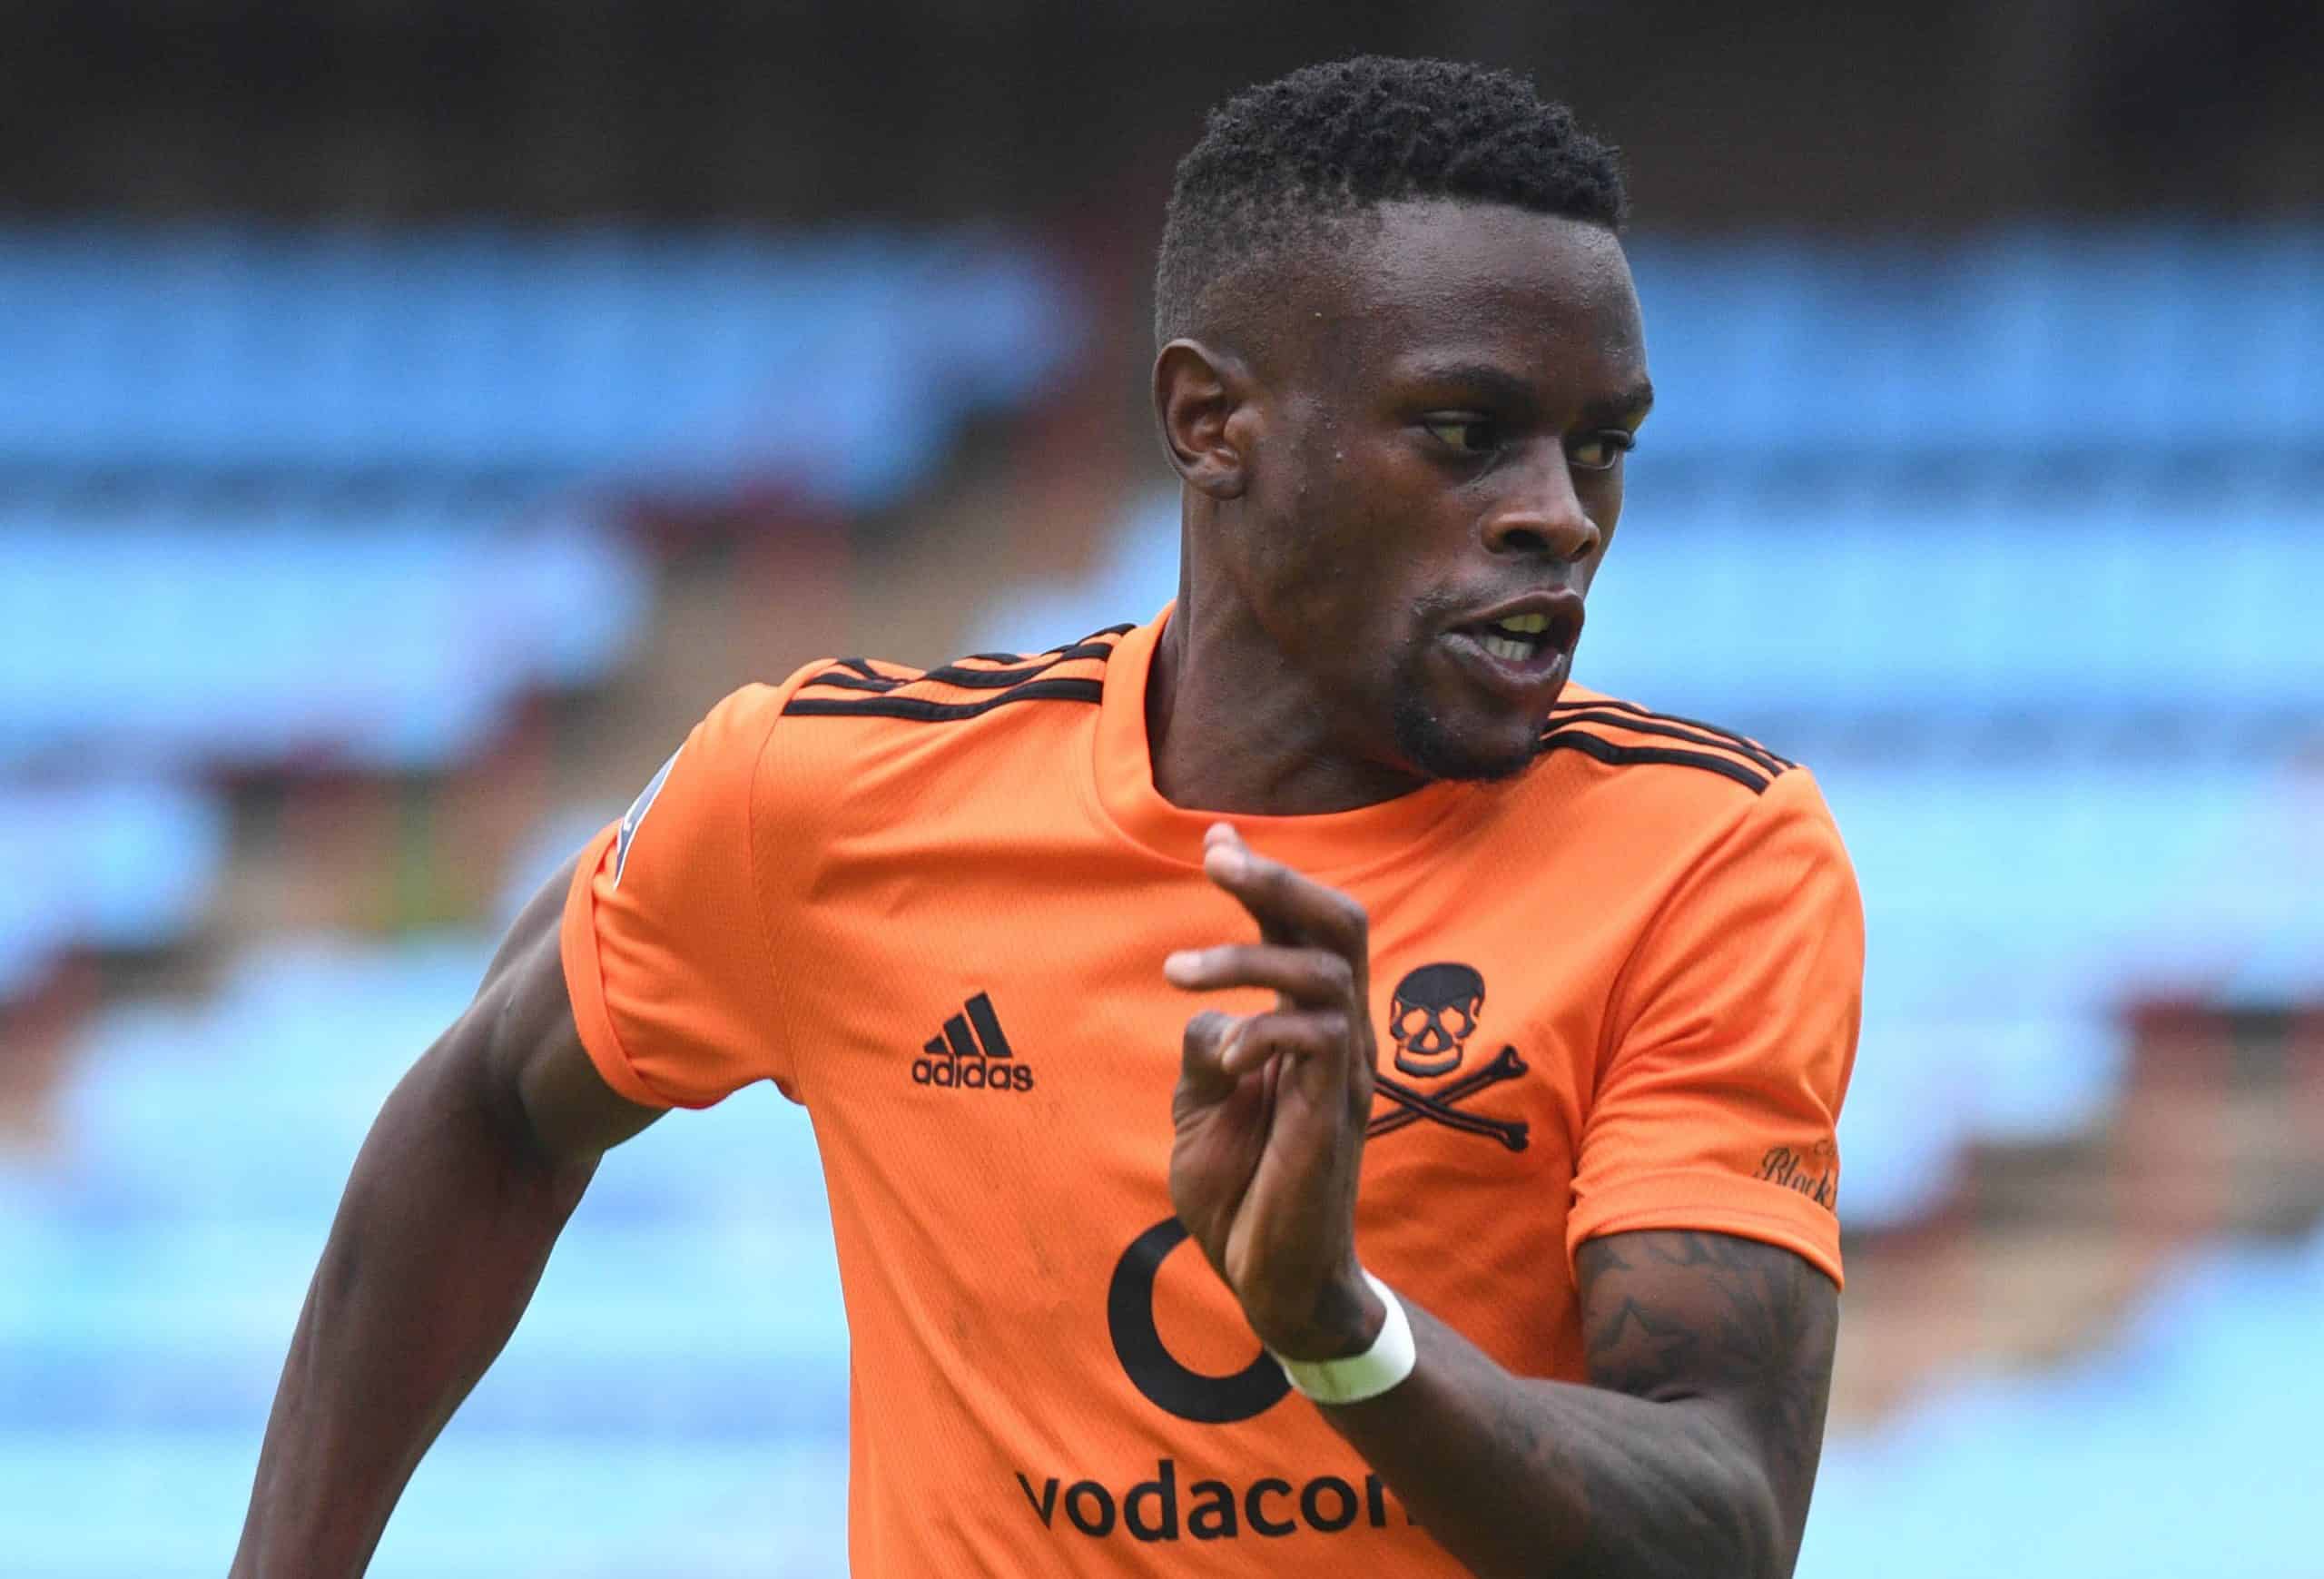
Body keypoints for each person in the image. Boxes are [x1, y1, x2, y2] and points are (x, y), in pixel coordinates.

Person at [233, 54, 1862, 1578]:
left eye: (1601, 449)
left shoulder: (1707, 856)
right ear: (1210, 421)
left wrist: (1329, 1322)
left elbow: (1717, 1515)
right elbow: (490, 1118)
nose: (1560, 519)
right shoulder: (829, 801)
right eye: (1469, 434)